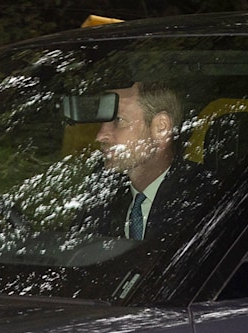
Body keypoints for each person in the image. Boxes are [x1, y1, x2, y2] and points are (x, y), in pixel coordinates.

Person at [73, 81, 211, 241]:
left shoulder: (205, 199)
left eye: (118, 120)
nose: (101, 135)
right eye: (103, 122)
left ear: (161, 128)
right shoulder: (103, 187)